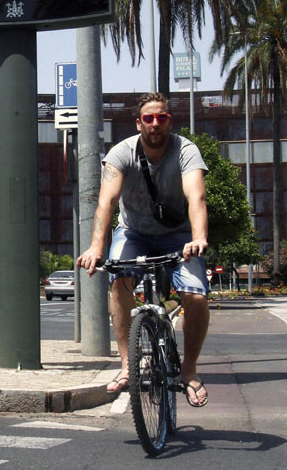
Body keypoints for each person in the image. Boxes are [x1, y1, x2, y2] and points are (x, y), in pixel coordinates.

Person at [77, 93, 211, 408]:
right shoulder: (120, 153)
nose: (155, 124)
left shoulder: (186, 151)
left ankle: (189, 371)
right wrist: (97, 246)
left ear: (169, 121)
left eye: (161, 118)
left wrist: (199, 237)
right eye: (148, 119)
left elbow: (197, 198)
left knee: (195, 296)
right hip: (133, 232)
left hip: (178, 236)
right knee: (119, 281)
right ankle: (127, 366)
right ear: (138, 123)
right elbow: (107, 202)